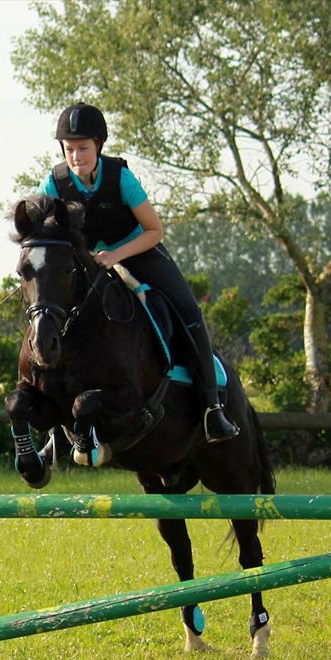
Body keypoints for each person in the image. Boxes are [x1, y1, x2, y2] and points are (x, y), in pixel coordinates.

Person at [41, 102, 239, 443]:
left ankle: (211, 408)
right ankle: (57, 429)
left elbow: (154, 230)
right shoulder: (55, 184)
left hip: (137, 249)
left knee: (189, 310)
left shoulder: (121, 178)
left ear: (99, 145)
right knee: (53, 314)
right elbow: (49, 237)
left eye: (83, 148)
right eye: (69, 149)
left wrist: (115, 255)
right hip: (87, 261)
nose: (76, 157)